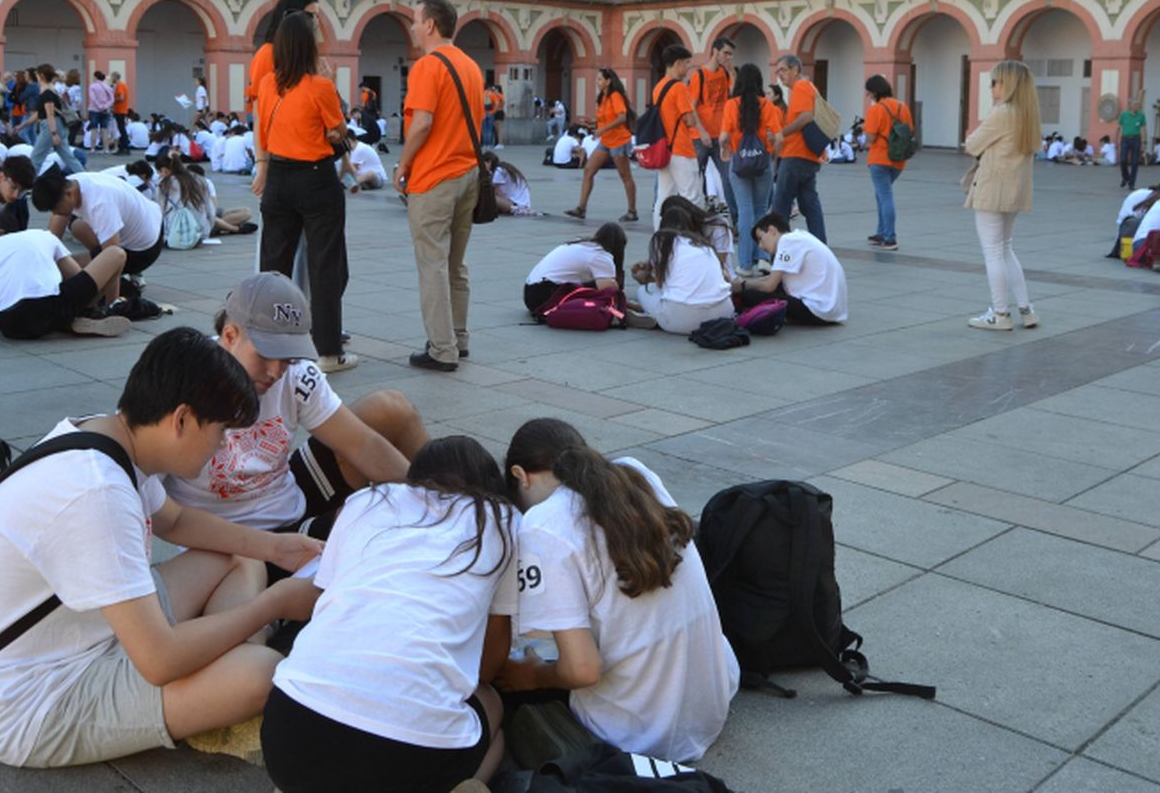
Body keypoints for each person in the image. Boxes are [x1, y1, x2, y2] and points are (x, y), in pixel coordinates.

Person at [0, 328, 322, 768]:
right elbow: (160, 659)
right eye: (221, 430)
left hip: (93, 631)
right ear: (182, 419)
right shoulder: (96, 494)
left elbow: (178, 520)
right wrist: (272, 603)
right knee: (261, 674)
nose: (224, 446)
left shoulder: (108, 435)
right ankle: (223, 677)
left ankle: (216, 673)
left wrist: (276, 548)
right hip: (36, 701)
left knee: (239, 555)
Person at [260, 436, 514, 793]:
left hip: (287, 742)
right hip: (404, 763)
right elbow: (487, 668)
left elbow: (324, 596)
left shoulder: (365, 501)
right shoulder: (501, 522)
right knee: (493, 711)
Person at [498, 418, 738, 762]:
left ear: (520, 476)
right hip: (711, 703)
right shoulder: (634, 474)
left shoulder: (542, 524)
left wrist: (531, 676)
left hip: (635, 735)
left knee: (519, 700)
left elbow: (582, 670)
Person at [169, 274, 427, 551]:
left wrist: (431, 502)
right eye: (266, 355)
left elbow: (362, 444)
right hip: (226, 541)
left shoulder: (294, 374)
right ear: (230, 335)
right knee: (366, 521)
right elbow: (137, 475)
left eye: (288, 357)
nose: (276, 372)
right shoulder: (180, 379)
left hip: (289, 501)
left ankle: (459, 504)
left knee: (389, 409)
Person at [251, 11, 356, 373]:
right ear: (310, 45)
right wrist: (330, 87)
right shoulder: (320, 86)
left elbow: (262, 130)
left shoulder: (267, 84)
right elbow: (339, 131)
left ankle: (268, 343)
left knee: (273, 266)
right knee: (323, 264)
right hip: (315, 178)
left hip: (278, 177)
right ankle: (327, 351)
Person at [397, 0, 483, 372]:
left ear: (431, 24)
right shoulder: (471, 66)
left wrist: (402, 166)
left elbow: (422, 123)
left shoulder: (427, 67)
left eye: (416, 20)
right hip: (469, 174)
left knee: (431, 263)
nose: (413, 27)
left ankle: (441, 349)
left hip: (434, 177)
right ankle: (459, 338)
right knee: (455, 263)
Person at [963, 61, 1041, 330]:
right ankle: (1026, 309)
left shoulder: (1003, 112)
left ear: (1006, 84)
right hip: (1014, 191)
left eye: (995, 82)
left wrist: (973, 135)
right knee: (1006, 249)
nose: (991, 88)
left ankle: (1000, 314)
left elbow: (972, 145)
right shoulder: (1027, 113)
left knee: (993, 252)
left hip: (993, 189)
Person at [0, 225, 131, 339]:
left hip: (10, 325)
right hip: (49, 305)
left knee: (38, 314)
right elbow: (75, 275)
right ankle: (84, 312)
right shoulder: (43, 235)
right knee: (116, 253)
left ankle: (56, 322)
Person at [32, 165, 166, 280]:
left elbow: (112, 258)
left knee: (69, 271)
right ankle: (99, 261)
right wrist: (44, 262)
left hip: (144, 249)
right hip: (147, 221)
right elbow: (52, 237)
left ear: (69, 194)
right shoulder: (70, 183)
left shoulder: (100, 204)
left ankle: (125, 275)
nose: (54, 213)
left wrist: (110, 302)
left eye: (55, 208)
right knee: (76, 226)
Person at [627, 206, 734, 334]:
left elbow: (660, 284)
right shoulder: (703, 244)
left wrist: (642, 277)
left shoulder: (662, 240)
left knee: (645, 291)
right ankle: (649, 312)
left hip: (683, 320)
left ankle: (647, 312)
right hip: (724, 313)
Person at [733, 212, 848, 325]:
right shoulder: (799, 237)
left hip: (817, 310)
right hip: (832, 310)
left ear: (772, 230)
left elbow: (769, 286)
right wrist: (745, 283)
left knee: (748, 295)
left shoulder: (787, 241)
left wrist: (743, 285)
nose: (760, 246)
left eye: (760, 239)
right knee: (759, 289)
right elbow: (772, 279)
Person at [719, 64, 780, 268]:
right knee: (761, 209)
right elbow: (778, 138)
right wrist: (773, 155)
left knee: (745, 211)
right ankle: (763, 258)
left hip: (740, 162)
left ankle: (745, 264)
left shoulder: (731, 105)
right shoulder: (768, 106)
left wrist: (724, 147)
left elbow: (724, 136)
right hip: (763, 162)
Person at [565, 68, 639, 223]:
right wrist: (594, 122)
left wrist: (602, 129)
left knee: (625, 176)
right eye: (597, 79)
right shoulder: (603, 97)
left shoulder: (615, 96)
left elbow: (622, 118)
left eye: (599, 79)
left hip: (619, 141)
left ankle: (632, 211)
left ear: (608, 81)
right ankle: (581, 208)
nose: (597, 82)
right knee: (588, 170)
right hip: (606, 141)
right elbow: (606, 118)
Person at [769, 53, 828, 243]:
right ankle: (821, 246)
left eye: (783, 70)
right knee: (810, 206)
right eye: (777, 71)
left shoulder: (801, 86)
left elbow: (805, 117)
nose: (780, 75)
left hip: (795, 156)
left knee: (780, 208)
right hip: (807, 157)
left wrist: (781, 133)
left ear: (795, 70)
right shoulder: (805, 87)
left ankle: (779, 255)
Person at [649, 44, 708, 229]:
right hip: (681, 148)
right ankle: (694, 234)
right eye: (686, 64)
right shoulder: (679, 88)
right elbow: (689, 119)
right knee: (691, 196)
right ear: (677, 63)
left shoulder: (658, 87)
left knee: (664, 196)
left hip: (665, 148)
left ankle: (659, 231)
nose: (688, 69)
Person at [524, 222, 625, 317]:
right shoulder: (600, 255)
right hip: (543, 298)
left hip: (530, 292)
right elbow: (610, 288)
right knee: (601, 289)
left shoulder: (579, 243)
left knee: (593, 283)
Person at [863, 74, 913, 251]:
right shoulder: (902, 107)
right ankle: (882, 232)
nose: (868, 97)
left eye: (869, 93)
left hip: (879, 158)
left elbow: (870, 137)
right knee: (882, 194)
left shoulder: (876, 110)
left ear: (875, 91)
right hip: (898, 159)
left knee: (885, 196)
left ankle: (890, 237)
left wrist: (863, 135)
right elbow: (909, 131)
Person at [689, 37, 736, 220]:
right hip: (701, 136)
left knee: (729, 178)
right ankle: (694, 216)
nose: (728, 57)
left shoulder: (724, 74)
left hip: (720, 135)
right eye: (725, 53)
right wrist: (702, 131)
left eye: (731, 54)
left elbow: (732, 95)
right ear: (715, 51)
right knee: (694, 177)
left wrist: (732, 72)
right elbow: (691, 106)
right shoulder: (699, 76)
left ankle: (736, 219)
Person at [28, 65, 84, 175]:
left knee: (36, 157)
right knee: (68, 156)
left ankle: (29, 184)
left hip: (51, 126)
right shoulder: (53, 89)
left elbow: (50, 114)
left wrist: (53, 133)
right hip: (59, 124)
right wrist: (23, 125)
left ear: (42, 76)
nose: (37, 77)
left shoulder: (47, 92)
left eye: (37, 75)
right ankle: (85, 175)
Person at [483, 150, 534, 215]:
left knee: (488, 196)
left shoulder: (499, 171)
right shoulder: (502, 168)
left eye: (483, 165)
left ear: (489, 162)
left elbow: (492, 190)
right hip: (519, 203)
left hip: (517, 205)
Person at [1118, 93, 1146, 188]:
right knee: (1123, 160)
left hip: (1136, 139)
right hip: (1125, 139)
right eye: (1135, 105)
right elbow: (1119, 127)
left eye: (1138, 105)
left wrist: (1144, 142)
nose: (1137, 106)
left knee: (1135, 162)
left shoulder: (1141, 115)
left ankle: (1132, 182)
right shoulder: (1124, 114)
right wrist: (1116, 140)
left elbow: (1143, 128)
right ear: (1130, 105)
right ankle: (1126, 177)